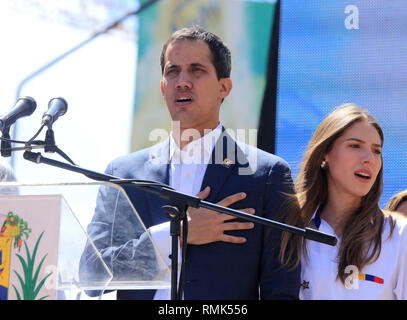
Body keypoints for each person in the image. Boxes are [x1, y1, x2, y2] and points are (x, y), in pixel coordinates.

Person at [80, 26, 300, 300]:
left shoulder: (266, 175)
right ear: (163, 87)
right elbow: (91, 275)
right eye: (173, 71)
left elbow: (281, 291)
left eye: (196, 70)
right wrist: (176, 235)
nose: (182, 81)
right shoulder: (124, 174)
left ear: (224, 87)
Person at [278, 103, 407, 299]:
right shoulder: (288, 226)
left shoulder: (399, 234)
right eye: (355, 146)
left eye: (376, 151)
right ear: (324, 154)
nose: (369, 159)